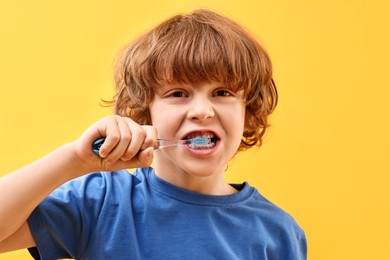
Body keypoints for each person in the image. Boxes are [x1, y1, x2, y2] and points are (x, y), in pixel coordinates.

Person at [0, 9, 307, 259]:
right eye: (178, 93)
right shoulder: (101, 200)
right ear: (144, 113)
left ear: (247, 111)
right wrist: (74, 160)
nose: (202, 110)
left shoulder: (278, 232)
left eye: (222, 92)